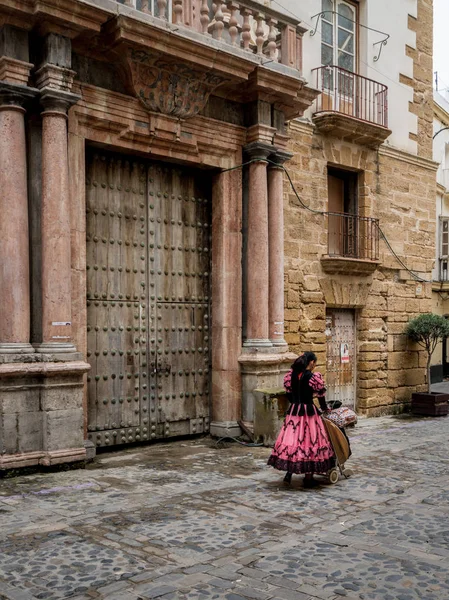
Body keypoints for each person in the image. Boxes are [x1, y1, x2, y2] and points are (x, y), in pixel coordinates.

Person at [267, 352, 335, 488]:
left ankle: (289, 474)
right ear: (311, 362)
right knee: (309, 442)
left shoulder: (291, 376)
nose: (315, 366)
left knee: (293, 442)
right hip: (308, 413)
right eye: (314, 363)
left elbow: (289, 395)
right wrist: (325, 409)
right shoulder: (312, 377)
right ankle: (308, 478)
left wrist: (296, 405)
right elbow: (321, 396)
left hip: (294, 412)